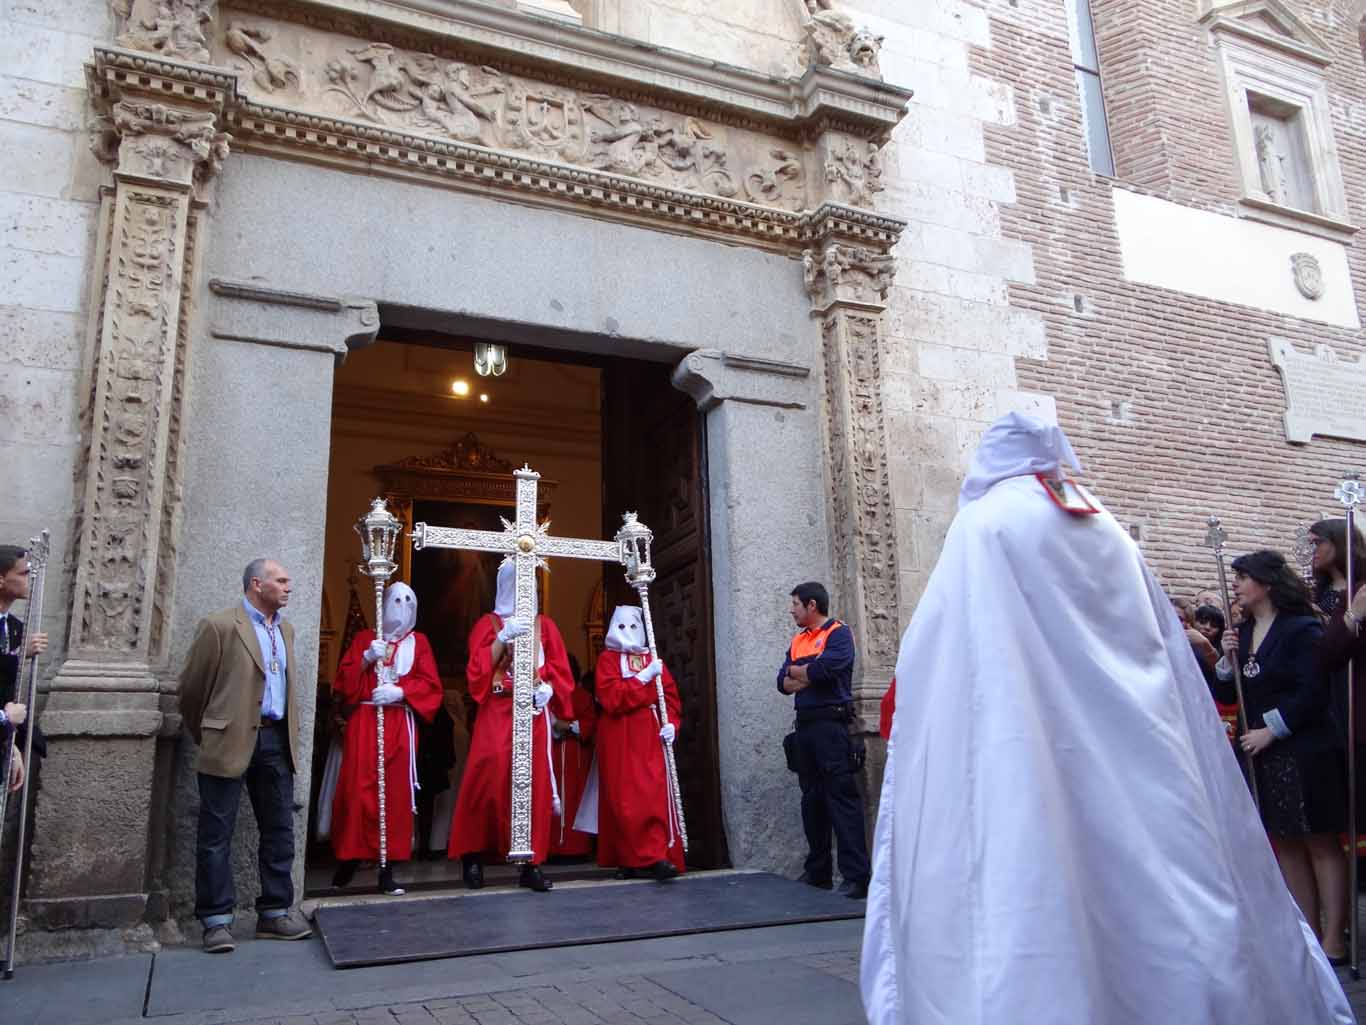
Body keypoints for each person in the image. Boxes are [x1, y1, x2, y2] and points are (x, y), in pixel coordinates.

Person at [861, 412, 1351, 1025]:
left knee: (1045, 864)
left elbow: (947, 645)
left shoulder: (984, 524)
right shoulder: (1101, 520)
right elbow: (1160, 640)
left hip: (1030, 730)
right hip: (1132, 732)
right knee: (1158, 871)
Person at [1215, 549, 1347, 962]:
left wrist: (1272, 730)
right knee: (1286, 841)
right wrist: (1224, 659)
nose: (1236, 585)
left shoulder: (1301, 628)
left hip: (1304, 748)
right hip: (1263, 753)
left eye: (1243, 577)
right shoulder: (1242, 630)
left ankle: (1336, 936)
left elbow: (1311, 691)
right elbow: (1229, 691)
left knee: (1319, 840)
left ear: (1267, 583)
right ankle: (1306, 928)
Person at [179, 559, 313, 954]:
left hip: (274, 741)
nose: (289, 587)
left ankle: (274, 912)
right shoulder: (220, 626)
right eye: (281, 580)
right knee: (216, 833)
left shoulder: (285, 629)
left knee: (279, 830)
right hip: (229, 741)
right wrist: (208, 733)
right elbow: (191, 690)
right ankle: (216, 920)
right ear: (257, 584)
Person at [448, 560, 575, 892]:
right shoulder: (487, 624)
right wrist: (501, 639)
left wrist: (548, 687)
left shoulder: (544, 626)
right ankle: (473, 856)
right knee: (486, 779)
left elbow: (560, 669)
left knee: (532, 786)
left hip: (533, 714)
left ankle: (530, 862)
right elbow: (476, 672)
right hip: (497, 712)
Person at [329, 583, 444, 895]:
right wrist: (366, 658)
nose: (402, 605)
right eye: (395, 599)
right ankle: (350, 857)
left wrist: (402, 691)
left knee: (393, 795)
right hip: (366, 722)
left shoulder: (419, 643)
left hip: (399, 723)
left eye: (409, 599)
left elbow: (431, 685)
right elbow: (344, 681)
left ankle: (387, 866)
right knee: (357, 791)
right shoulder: (366, 638)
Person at [777, 581, 869, 900]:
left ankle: (856, 877)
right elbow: (782, 681)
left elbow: (829, 670)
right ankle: (818, 872)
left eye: (795, 604)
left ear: (812, 605)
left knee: (842, 800)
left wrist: (802, 675)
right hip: (805, 728)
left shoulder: (839, 634)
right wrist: (805, 673)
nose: (792, 610)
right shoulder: (799, 640)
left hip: (832, 726)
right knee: (811, 801)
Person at [592, 605, 684, 880]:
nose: (628, 633)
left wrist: (672, 725)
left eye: (633, 627)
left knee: (652, 794)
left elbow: (669, 697)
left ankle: (656, 856)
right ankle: (629, 858)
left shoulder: (652, 658)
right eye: (622, 627)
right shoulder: (608, 661)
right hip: (619, 737)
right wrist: (644, 679)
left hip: (649, 735)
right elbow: (612, 698)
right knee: (623, 800)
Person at [1311, 518, 1366, 860]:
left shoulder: (1361, 588)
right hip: (1327, 696)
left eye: (1318, 542)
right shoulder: (1312, 595)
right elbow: (1323, 655)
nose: (1312, 551)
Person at [548, 667, 597, 860]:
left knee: (576, 800)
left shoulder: (583, 696)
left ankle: (576, 849)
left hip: (577, 757)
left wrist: (566, 726)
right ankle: (552, 848)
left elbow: (590, 722)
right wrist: (556, 726)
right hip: (554, 753)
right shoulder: (549, 693)